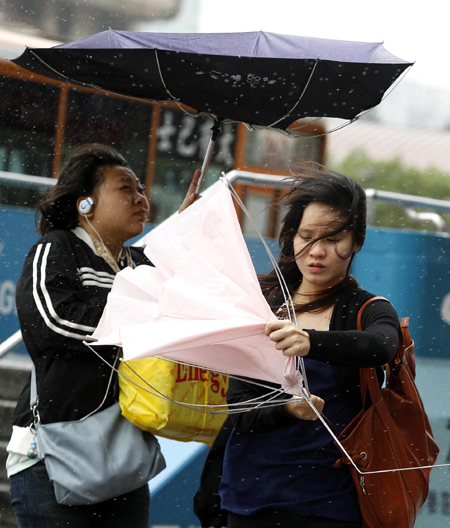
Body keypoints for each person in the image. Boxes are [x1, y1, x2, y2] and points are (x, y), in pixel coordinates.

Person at [195, 162, 400, 528]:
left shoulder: (369, 308)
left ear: (358, 242)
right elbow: (240, 410)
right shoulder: (262, 304)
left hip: (330, 501)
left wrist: (310, 341)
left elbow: (381, 346)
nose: (317, 251)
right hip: (249, 499)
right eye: (306, 236)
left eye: (333, 239)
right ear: (291, 237)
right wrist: (289, 411)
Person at [6, 143, 200, 528]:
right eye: (124, 189)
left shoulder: (139, 264)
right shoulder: (57, 247)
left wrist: (187, 224)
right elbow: (54, 324)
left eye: (141, 189)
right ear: (85, 204)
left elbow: (179, 299)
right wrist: (143, 325)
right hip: (53, 460)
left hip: (124, 463)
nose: (141, 198)